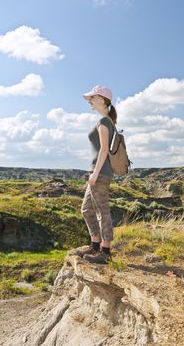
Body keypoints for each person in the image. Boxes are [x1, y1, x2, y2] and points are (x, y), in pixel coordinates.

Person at [77, 85, 117, 264]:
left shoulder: (104, 122)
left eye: (92, 98)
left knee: (102, 210)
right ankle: (95, 245)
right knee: (86, 209)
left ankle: (105, 251)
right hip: (98, 172)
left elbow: (103, 150)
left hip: (100, 173)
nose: (90, 102)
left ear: (101, 99)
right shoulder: (106, 120)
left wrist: (95, 174)